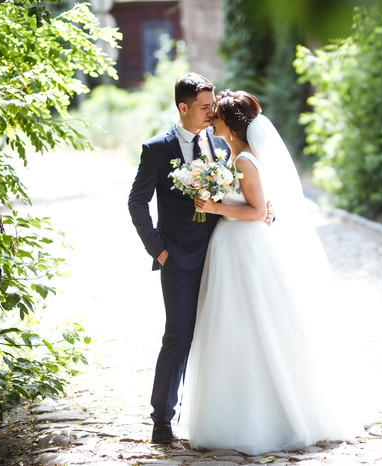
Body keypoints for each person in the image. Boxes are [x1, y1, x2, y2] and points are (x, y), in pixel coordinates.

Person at [179, 90, 365, 454]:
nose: (211, 119)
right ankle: (236, 410)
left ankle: (266, 415)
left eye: (216, 115)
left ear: (230, 125)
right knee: (233, 326)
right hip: (231, 246)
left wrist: (215, 208)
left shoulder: (245, 162)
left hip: (245, 246)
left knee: (254, 323)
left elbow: (256, 210)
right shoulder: (232, 156)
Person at [128, 73, 233, 444]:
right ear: (183, 107)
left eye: (213, 104)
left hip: (224, 255)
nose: (212, 111)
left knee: (224, 334)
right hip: (178, 260)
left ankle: (218, 415)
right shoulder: (157, 149)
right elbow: (136, 202)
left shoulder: (222, 145)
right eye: (205, 106)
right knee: (179, 336)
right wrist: (159, 249)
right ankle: (162, 419)